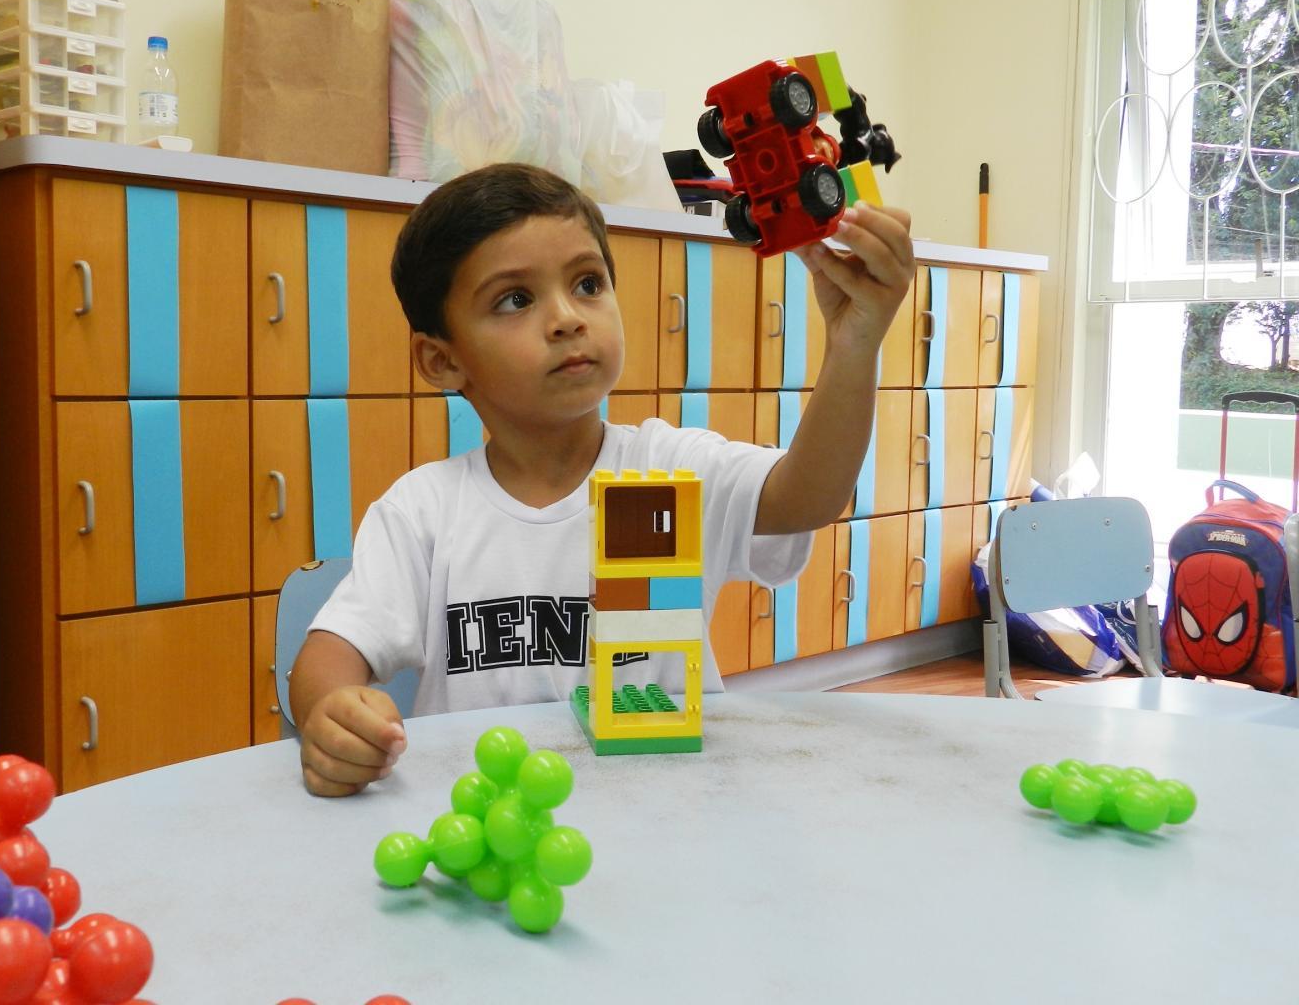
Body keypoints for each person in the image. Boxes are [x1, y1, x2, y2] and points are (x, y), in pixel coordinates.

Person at [290, 163, 915, 796]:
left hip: (670, 814)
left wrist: (855, 343)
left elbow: (809, 495)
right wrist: (333, 711)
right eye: (515, 299)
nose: (567, 318)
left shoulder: (670, 468)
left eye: (587, 283)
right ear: (442, 360)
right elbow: (330, 655)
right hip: (504, 833)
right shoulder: (421, 511)